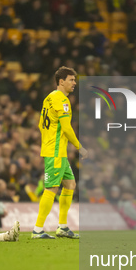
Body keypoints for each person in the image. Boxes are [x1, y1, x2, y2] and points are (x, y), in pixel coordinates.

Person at [31, 66, 88, 239]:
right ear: (61, 81)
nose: (74, 83)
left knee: (70, 184)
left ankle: (62, 227)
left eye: (75, 80)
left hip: (57, 150)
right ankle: (38, 229)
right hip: (56, 151)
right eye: (71, 80)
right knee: (52, 188)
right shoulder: (62, 100)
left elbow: (41, 124)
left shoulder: (48, 98)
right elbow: (67, 128)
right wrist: (79, 147)